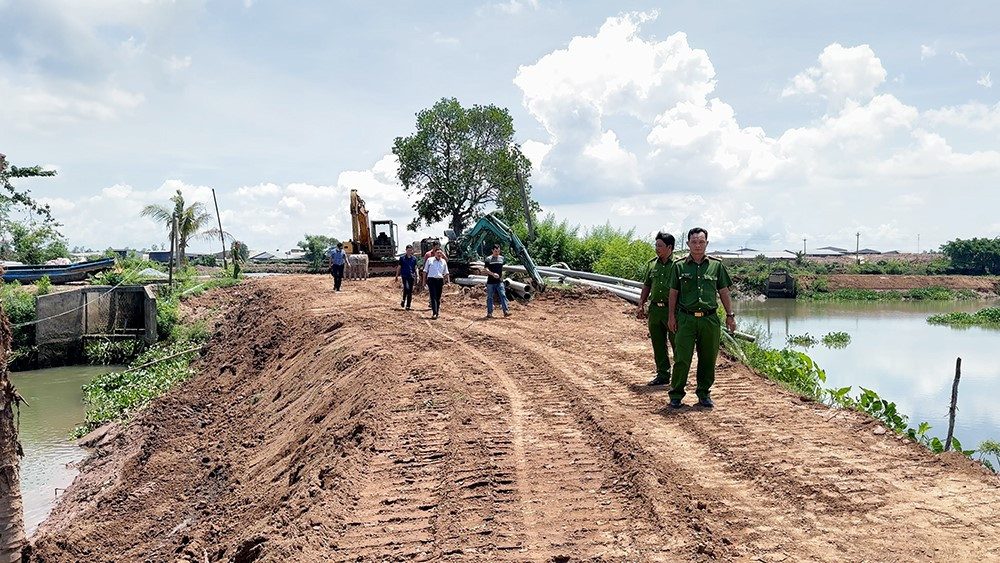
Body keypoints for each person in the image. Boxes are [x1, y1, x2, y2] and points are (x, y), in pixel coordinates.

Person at [667, 228, 736, 409]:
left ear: (707, 243)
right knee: (682, 358)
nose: (698, 245)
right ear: (688, 243)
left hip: (709, 319)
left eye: (701, 242)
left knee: (708, 358)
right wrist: (671, 317)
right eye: (694, 242)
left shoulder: (716, 266)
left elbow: (723, 292)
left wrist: (730, 315)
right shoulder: (679, 266)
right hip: (686, 319)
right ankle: (676, 394)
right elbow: (673, 293)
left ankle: (704, 393)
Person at [636, 231, 675, 386]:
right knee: (658, 344)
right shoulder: (652, 264)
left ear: (669, 247)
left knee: (677, 344)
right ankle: (662, 374)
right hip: (655, 310)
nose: (657, 248)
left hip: (672, 310)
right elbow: (647, 285)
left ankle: (680, 376)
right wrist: (641, 303)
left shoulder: (678, 265)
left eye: (660, 245)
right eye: (656, 245)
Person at [483, 244, 510, 318]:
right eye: (495, 251)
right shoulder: (488, 259)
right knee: (490, 297)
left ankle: (506, 311)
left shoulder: (502, 258)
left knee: (503, 295)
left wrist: (502, 275)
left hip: (499, 281)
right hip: (491, 282)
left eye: (498, 251)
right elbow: (486, 269)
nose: (497, 253)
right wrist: (492, 274)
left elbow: (502, 268)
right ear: (492, 251)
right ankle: (489, 313)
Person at [422, 248, 450, 320]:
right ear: (434, 253)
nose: (439, 254)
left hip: (440, 280)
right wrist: (424, 281)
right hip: (431, 280)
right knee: (433, 296)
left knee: (438, 297)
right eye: (438, 253)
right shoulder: (430, 260)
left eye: (440, 253)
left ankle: (437, 312)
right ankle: (434, 313)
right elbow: (425, 271)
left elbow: (446, 273)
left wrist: (448, 282)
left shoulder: (443, 261)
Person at [395, 244, 418, 310]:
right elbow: (399, 267)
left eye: (410, 250)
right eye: (408, 250)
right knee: (407, 288)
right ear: (406, 250)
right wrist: (397, 275)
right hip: (404, 275)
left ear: (412, 251)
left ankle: (408, 305)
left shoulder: (414, 259)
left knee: (410, 291)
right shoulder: (402, 258)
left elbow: (415, 267)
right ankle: (403, 299)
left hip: (411, 276)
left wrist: (417, 275)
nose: (409, 252)